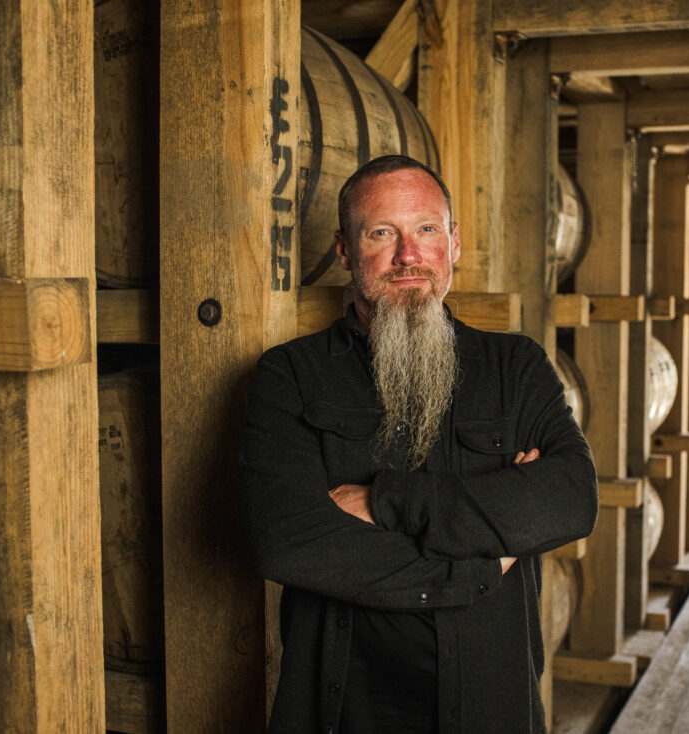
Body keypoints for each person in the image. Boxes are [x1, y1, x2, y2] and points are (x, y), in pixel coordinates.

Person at [240, 154, 598, 733]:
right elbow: (286, 541)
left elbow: (571, 499)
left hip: (492, 712)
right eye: (383, 233)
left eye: (426, 230)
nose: (409, 254)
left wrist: (385, 502)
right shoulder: (291, 376)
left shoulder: (517, 367)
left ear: (453, 243)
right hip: (345, 714)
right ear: (344, 250)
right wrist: (479, 569)